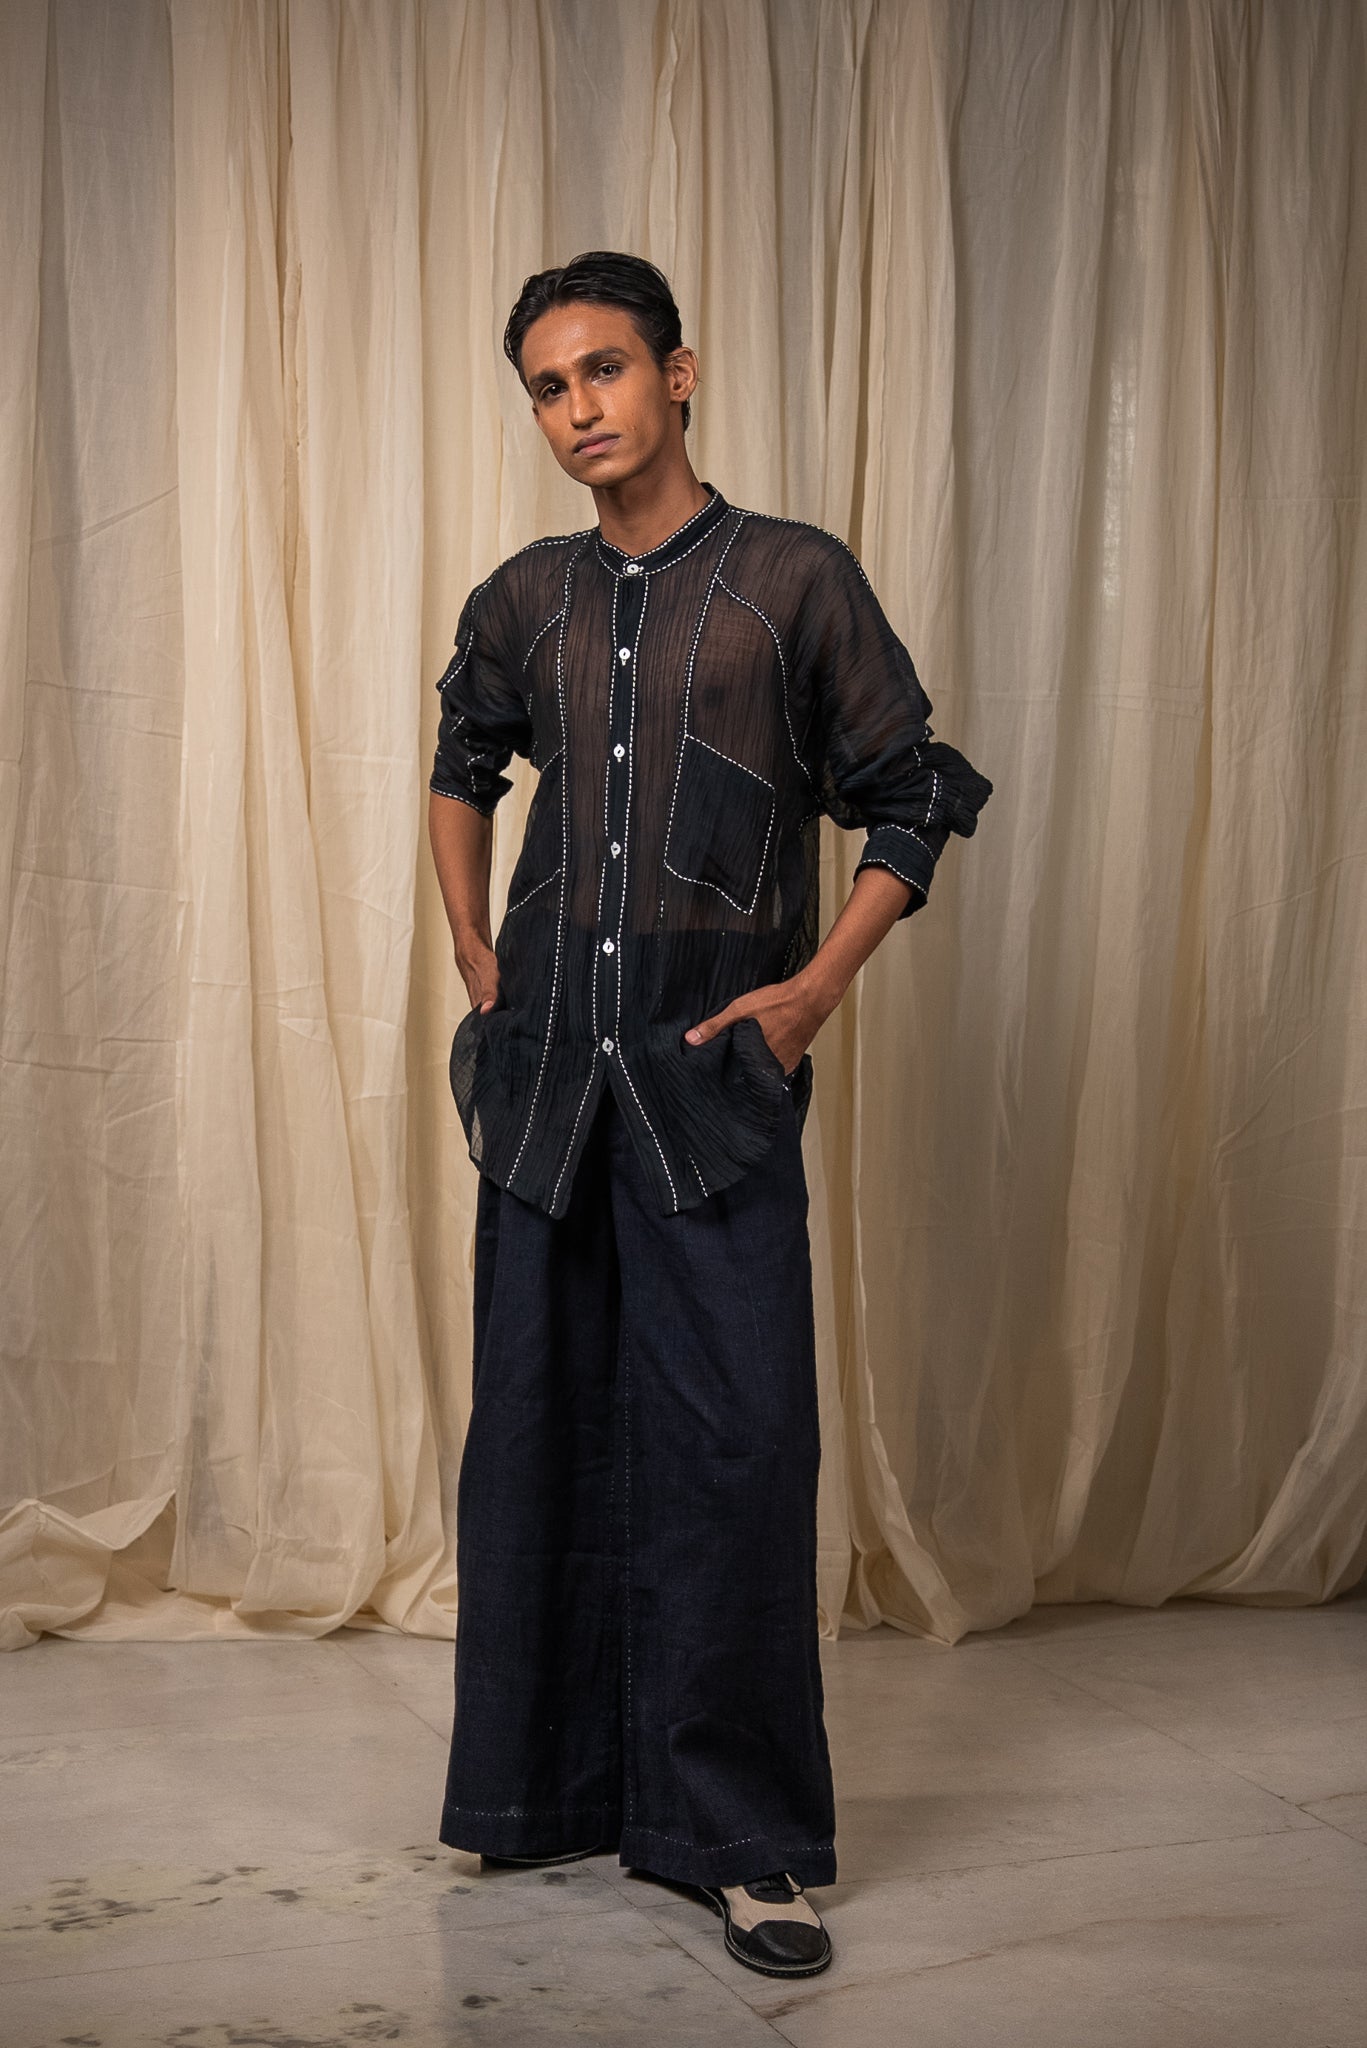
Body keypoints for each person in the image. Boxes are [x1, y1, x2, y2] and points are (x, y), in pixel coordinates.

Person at [427, 249, 992, 1980]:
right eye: (547, 386)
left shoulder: (792, 581)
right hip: (547, 1073)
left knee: (733, 1448)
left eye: (603, 369)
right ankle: (541, 1791)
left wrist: (814, 991)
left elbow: (910, 799)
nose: (576, 408)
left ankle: (739, 1842)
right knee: (538, 1429)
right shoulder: (525, 596)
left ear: (680, 373)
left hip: (709, 1074)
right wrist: (472, 945)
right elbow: (460, 765)